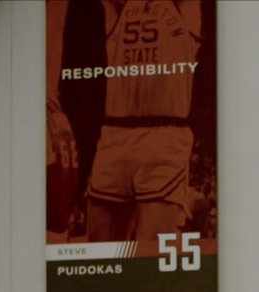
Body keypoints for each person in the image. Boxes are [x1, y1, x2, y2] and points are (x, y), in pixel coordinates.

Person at [83, 0, 203, 243]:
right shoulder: (117, 7)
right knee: (100, 257)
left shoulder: (184, 6)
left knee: (150, 256)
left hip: (165, 137)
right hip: (114, 135)